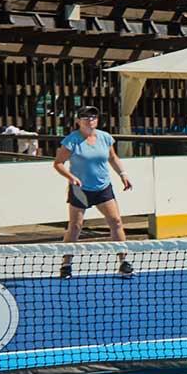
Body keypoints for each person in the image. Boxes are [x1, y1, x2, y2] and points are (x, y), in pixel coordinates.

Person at [54, 107, 134, 278]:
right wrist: (71, 177)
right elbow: (58, 163)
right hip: (80, 190)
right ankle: (66, 264)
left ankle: (124, 262)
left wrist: (123, 174)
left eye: (93, 117)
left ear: (97, 120)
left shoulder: (105, 138)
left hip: (102, 188)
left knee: (116, 222)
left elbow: (112, 157)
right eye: (85, 117)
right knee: (75, 227)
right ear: (78, 121)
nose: (90, 119)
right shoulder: (71, 140)